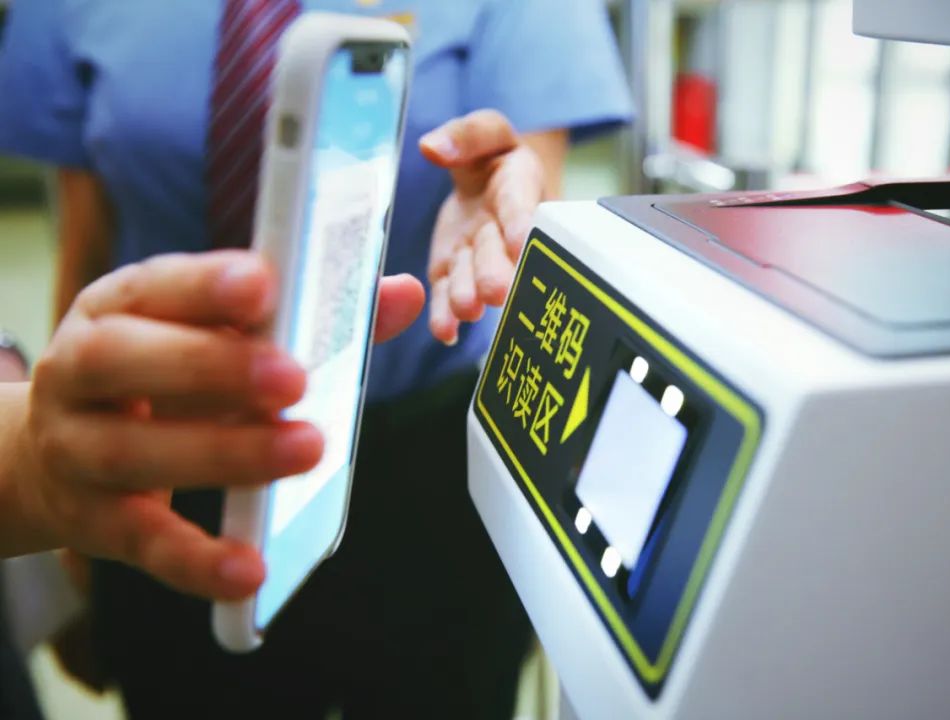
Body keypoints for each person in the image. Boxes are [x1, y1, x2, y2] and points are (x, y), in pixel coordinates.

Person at [0, 1, 632, 717]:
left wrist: (511, 210)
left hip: (430, 468)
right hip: (166, 465)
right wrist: (72, 523)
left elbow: (528, 181)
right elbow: (87, 245)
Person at [0, 250, 425, 718]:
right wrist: (33, 460)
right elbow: (86, 239)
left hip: (382, 427)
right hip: (149, 461)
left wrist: (33, 450)